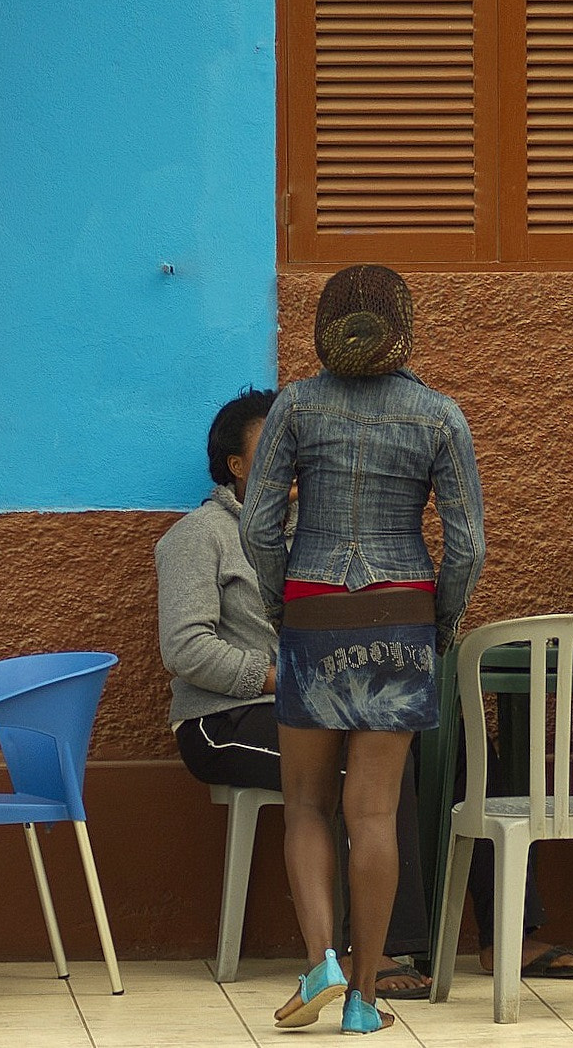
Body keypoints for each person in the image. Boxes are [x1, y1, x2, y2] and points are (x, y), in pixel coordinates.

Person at [241, 265, 485, 1035]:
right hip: (401, 615)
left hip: (313, 609)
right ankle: (366, 998)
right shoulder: (439, 415)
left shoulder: (295, 405)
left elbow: (255, 529)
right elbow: (468, 546)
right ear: (404, 325)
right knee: (374, 811)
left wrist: (287, 597)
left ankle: (320, 960)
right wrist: (437, 618)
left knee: (306, 804)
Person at [155, 388, 433, 1001]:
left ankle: (506, 936)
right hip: (225, 720)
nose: (294, 462)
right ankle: (371, 953)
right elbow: (184, 648)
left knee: (446, 755)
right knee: (355, 778)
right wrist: (283, 674)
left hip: (315, 705)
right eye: (276, 448)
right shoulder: (198, 536)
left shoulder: (315, 538)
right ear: (237, 465)